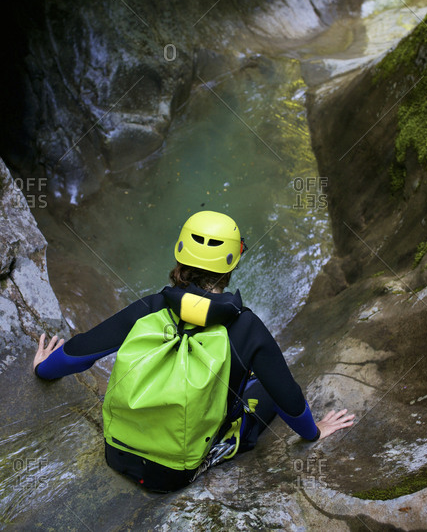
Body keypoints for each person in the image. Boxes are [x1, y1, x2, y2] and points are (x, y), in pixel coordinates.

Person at [33, 210, 355, 492]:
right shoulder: (246, 328)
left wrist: (42, 369)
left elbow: (80, 354)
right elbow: (290, 400)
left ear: (179, 253)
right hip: (173, 475)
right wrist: (314, 434)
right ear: (232, 262)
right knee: (264, 389)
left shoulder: (151, 306)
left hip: (116, 453)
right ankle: (221, 445)